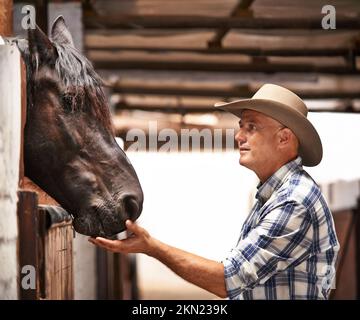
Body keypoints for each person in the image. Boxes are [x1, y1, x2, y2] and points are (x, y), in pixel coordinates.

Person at [89, 84, 339, 300]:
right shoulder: (275, 195)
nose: (239, 136)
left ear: (284, 138)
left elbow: (228, 279)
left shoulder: (294, 201)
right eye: (241, 126)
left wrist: (152, 247)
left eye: (252, 127)